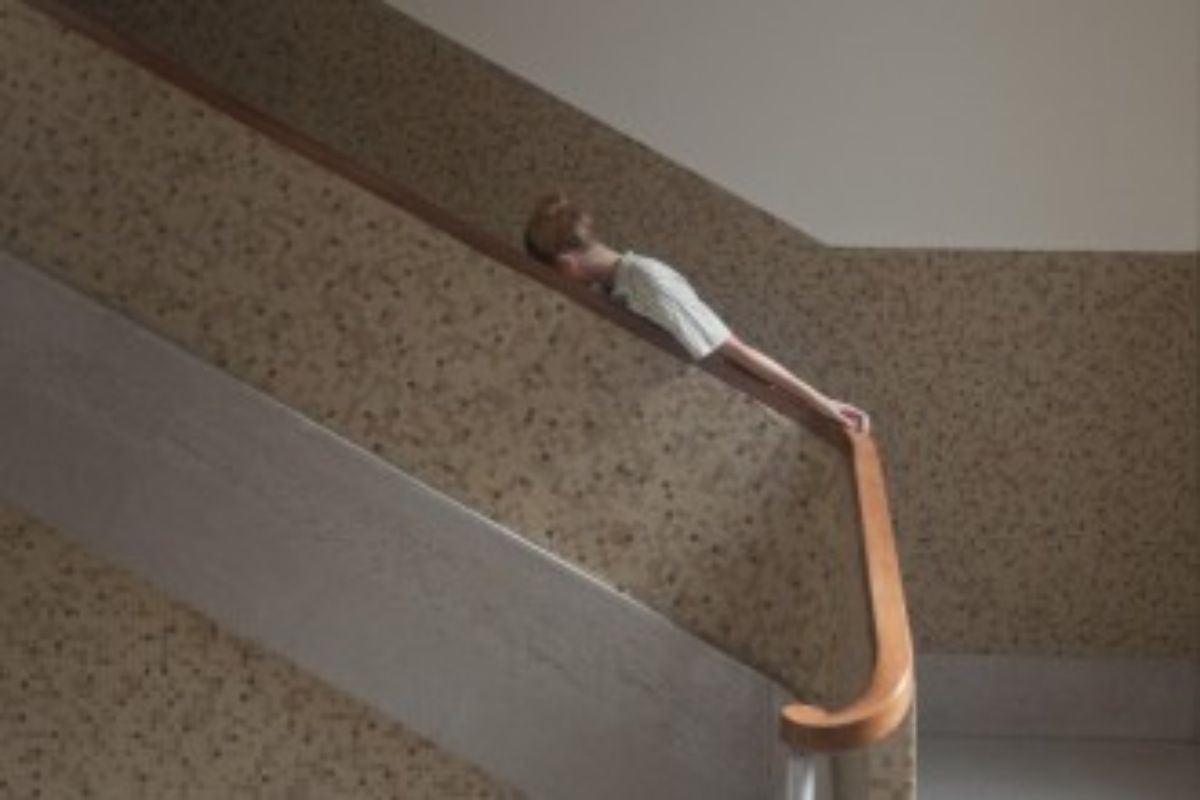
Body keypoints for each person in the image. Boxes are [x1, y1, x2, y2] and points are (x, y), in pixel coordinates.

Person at [523, 194, 869, 432]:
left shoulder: (647, 281)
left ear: (566, 265)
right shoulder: (614, 286)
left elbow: (732, 349)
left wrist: (821, 404)